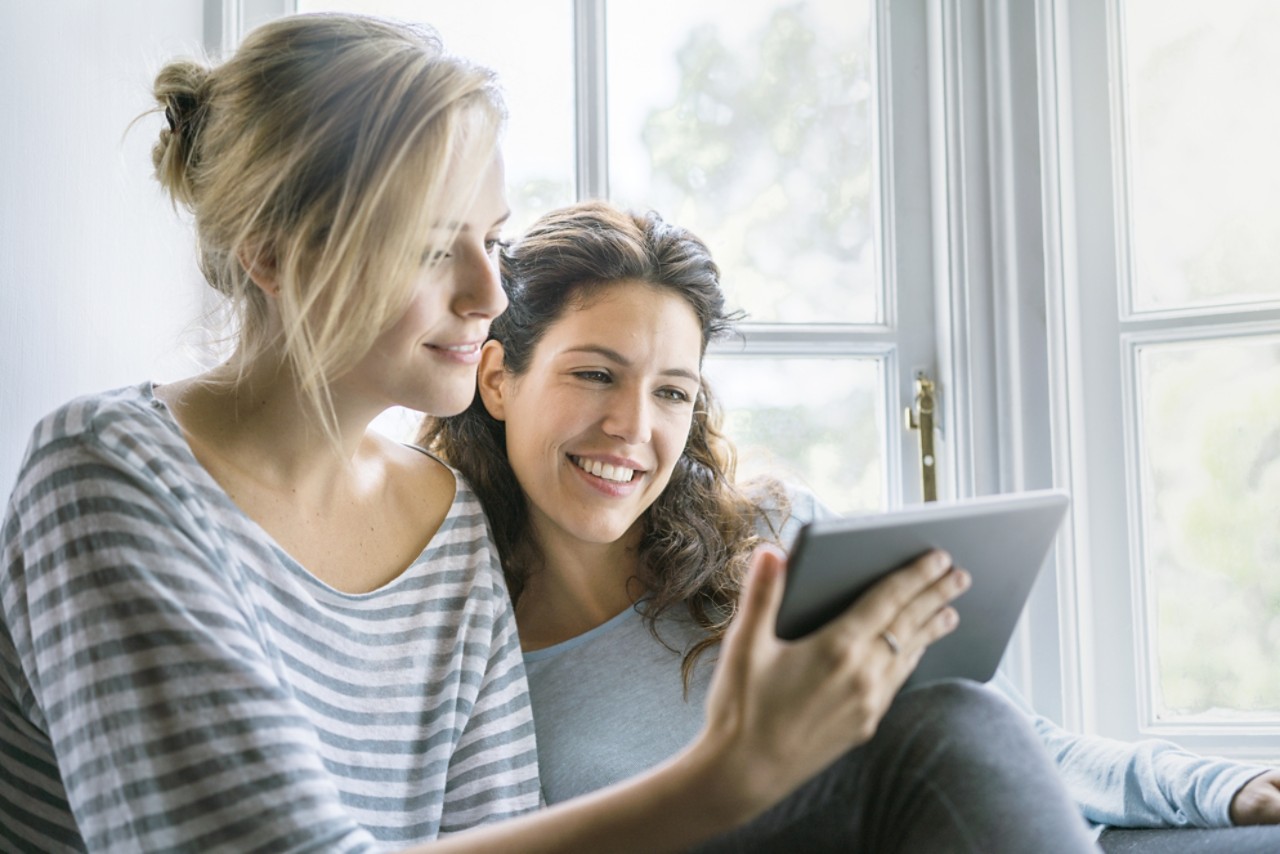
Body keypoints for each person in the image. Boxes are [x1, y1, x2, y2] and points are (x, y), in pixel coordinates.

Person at [0, 14, 973, 853]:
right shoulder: (109, 476)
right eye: (431, 247)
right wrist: (724, 775)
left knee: (949, 731)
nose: (489, 293)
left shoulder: (444, 520)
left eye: (491, 239)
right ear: (274, 255)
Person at [422, 199, 1280, 851]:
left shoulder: (772, 537)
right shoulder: (462, 644)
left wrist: (1216, 786)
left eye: (673, 392)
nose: (632, 427)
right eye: (596, 374)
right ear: (497, 379)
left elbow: (1003, 747)